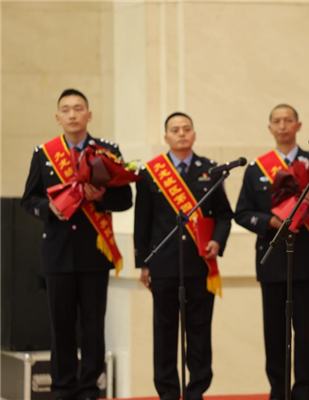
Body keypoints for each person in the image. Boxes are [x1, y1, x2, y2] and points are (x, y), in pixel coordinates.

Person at [21, 89, 133, 400]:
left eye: (78, 108)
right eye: (66, 110)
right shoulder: (44, 153)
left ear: (89, 115)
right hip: (57, 252)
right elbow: (29, 199)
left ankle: (89, 388)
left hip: (94, 251)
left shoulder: (107, 152)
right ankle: (63, 387)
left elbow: (125, 199)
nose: (72, 114)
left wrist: (102, 199)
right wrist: (48, 209)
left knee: (94, 325)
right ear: (58, 117)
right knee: (62, 325)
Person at [234, 104, 309, 400]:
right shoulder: (256, 169)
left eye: (288, 120)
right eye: (277, 121)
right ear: (270, 128)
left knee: (304, 329)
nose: (282, 125)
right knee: (274, 330)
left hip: (306, 257)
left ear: (298, 125)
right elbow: (242, 213)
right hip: (272, 256)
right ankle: (278, 389)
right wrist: (271, 221)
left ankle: (303, 388)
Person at [134, 112, 233, 400]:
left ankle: (196, 392)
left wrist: (217, 240)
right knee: (165, 334)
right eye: (174, 130)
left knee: (199, 334)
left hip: (200, 264)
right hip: (163, 266)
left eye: (186, 128)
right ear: (166, 137)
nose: (181, 133)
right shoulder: (151, 173)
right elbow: (143, 222)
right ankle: (167, 393)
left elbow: (224, 215)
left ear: (194, 134)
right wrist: (143, 262)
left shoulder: (210, 170)